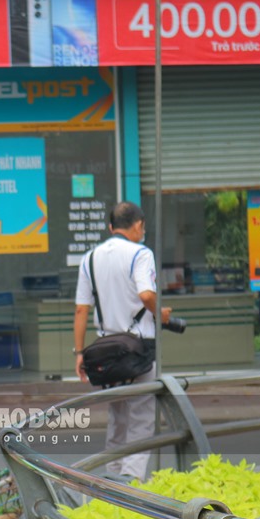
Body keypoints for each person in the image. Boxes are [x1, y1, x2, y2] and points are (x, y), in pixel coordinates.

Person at [73, 201, 172, 481]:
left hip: (106, 353)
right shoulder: (141, 254)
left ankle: (112, 479)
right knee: (141, 417)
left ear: (110, 227)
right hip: (137, 351)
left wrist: (80, 352)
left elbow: (81, 309)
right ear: (138, 225)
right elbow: (146, 295)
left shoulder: (89, 258)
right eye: (142, 227)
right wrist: (161, 312)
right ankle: (131, 479)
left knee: (117, 417)